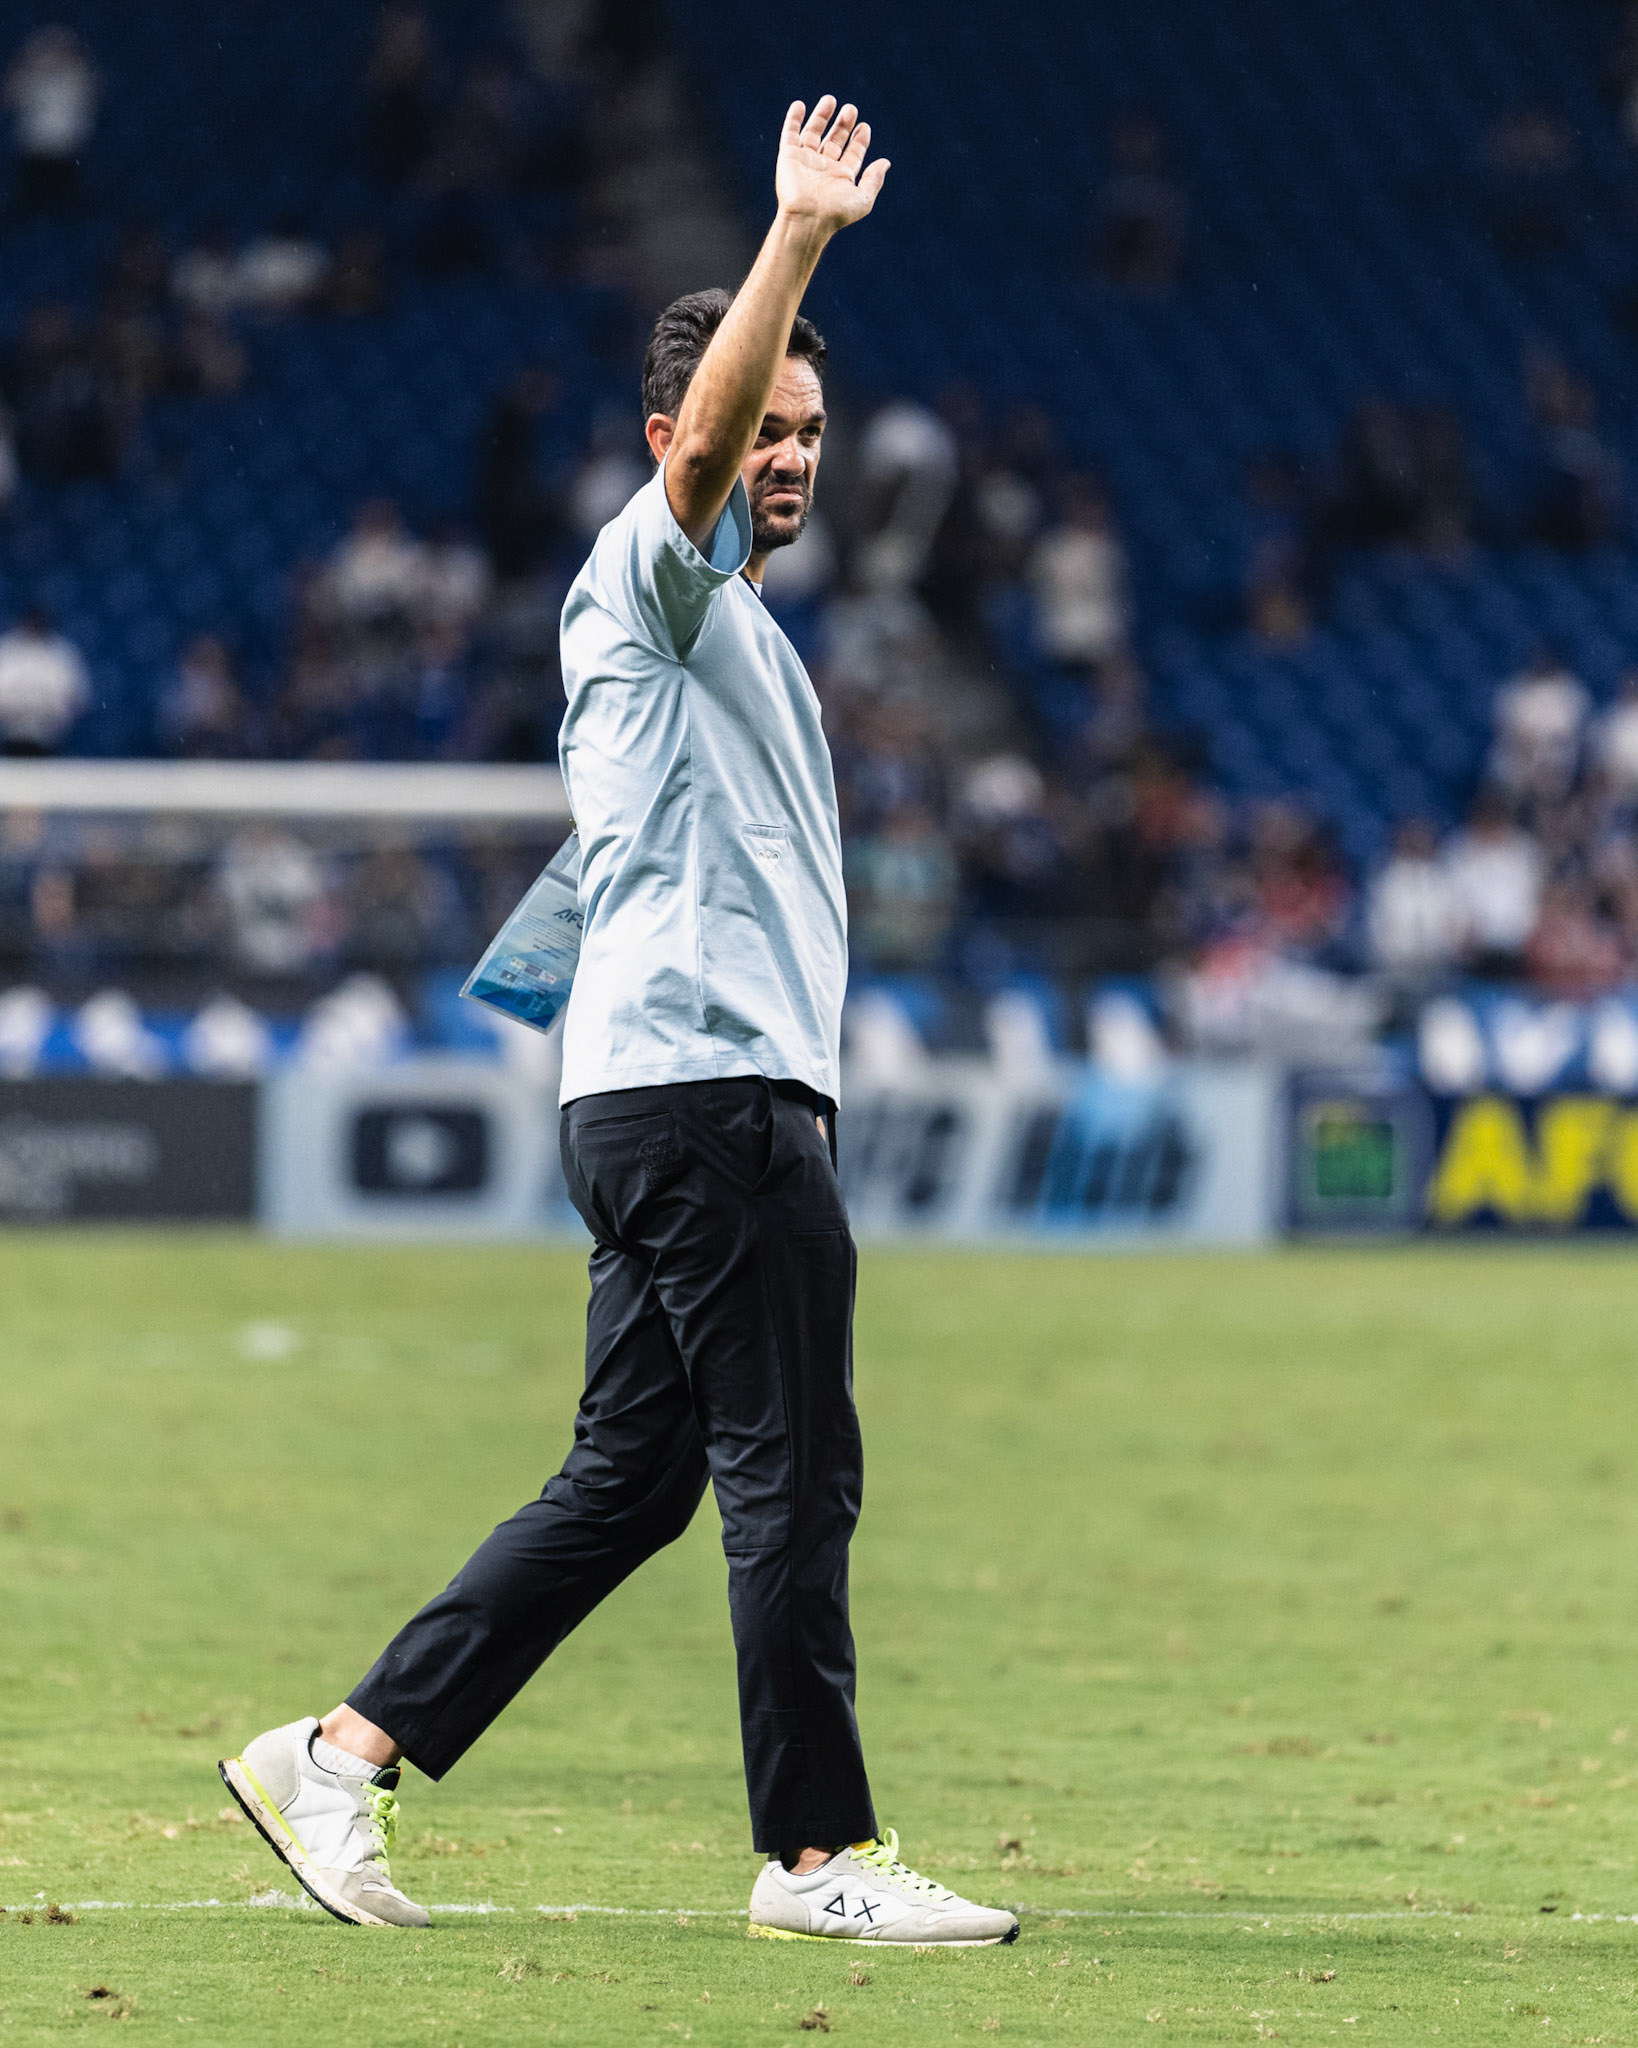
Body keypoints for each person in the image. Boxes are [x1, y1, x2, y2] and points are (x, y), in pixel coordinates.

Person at [219, 93, 1017, 1949]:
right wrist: (795, 238)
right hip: (708, 1098)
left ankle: (337, 1752)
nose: (790, 456)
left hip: (658, 1095)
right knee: (793, 1470)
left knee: (634, 1476)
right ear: (683, 437)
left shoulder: (718, 631)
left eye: (812, 430)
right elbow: (705, 453)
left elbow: (604, 863)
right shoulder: (651, 574)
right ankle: (817, 1855)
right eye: (766, 428)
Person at [0, 606, 89, 754]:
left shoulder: (62, 653)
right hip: (10, 734)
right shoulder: (7, 649)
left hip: (49, 737)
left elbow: (78, 698)